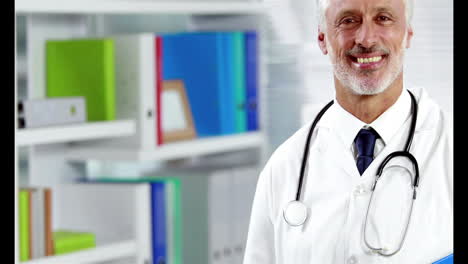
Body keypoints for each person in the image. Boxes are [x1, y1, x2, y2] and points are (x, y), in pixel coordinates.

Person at [242, 0, 453, 263]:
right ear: (322, 39)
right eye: (348, 21)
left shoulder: (447, 148)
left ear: (408, 33)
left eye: (384, 18)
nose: (365, 39)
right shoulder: (283, 168)